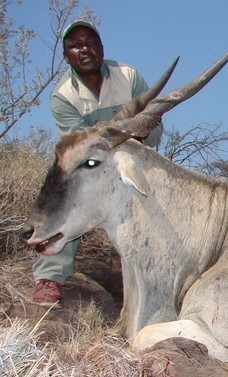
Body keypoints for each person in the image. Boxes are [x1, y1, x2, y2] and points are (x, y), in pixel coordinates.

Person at [32, 20, 163, 305]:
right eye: (75, 45)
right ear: (66, 55)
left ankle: (161, 278)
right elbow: (79, 145)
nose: (84, 48)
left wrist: (125, 135)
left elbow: (152, 126)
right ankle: (50, 276)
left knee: (162, 198)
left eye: (91, 42)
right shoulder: (62, 94)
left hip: (134, 152)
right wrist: (120, 127)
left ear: (102, 48)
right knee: (69, 195)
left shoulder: (128, 75)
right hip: (91, 161)